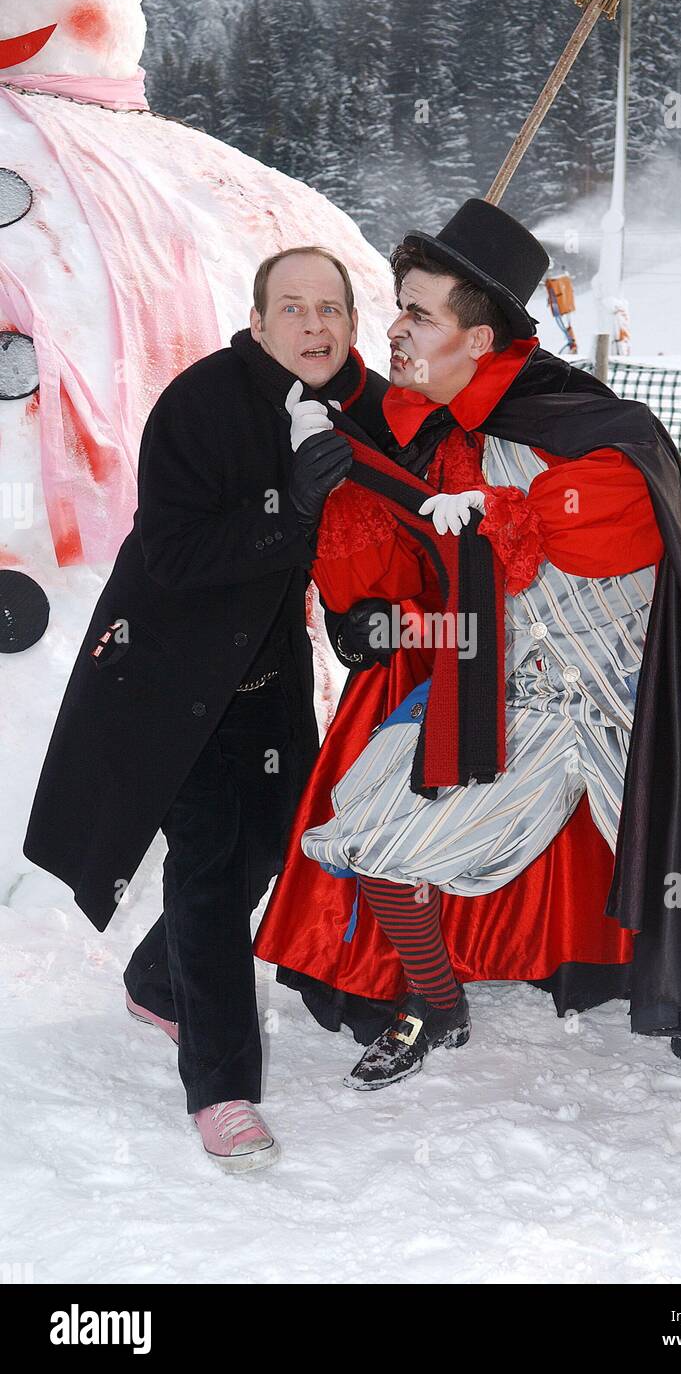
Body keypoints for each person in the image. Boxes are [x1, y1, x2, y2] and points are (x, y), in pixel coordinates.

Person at [257, 201, 681, 1199]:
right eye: (396, 308)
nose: (392, 328)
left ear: (478, 338)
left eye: (418, 314)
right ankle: (436, 1002)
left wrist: (496, 512)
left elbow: (609, 521)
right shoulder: (442, 435)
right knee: (370, 834)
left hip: (640, 712)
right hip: (518, 706)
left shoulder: (584, 422)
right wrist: (341, 500)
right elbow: (399, 570)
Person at [23, 246, 389, 1172]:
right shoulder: (199, 405)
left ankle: (157, 979)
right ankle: (220, 1087)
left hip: (269, 683)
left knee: (276, 841)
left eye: (330, 309)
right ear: (257, 320)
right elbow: (176, 557)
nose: (314, 326)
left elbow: (374, 533)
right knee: (211, 875)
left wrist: (363, 617)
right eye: (292, 308)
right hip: (174, 685)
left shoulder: (362, 407)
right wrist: (287, 509)